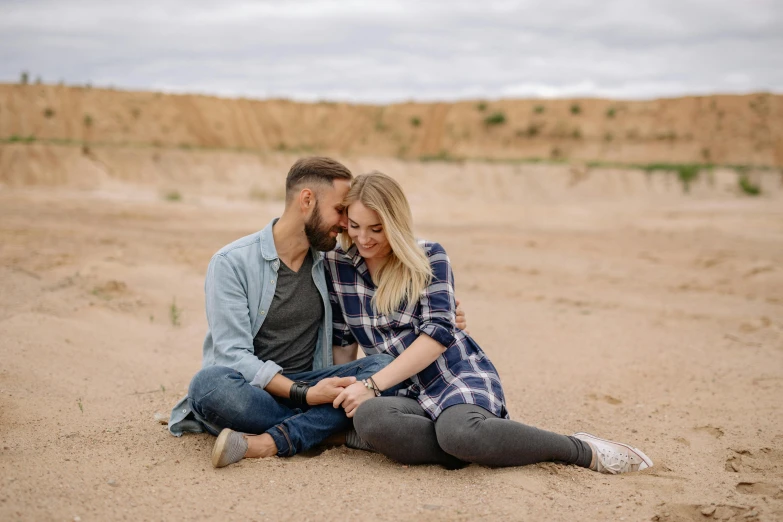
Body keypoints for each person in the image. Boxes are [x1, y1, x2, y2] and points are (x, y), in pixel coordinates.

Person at [325, 171, 653, 474]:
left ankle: (579, 449)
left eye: (376, 229)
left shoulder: (428, 256)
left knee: (459, 432)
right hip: (398, 389)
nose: (364, 239)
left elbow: (438, 335)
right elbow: (344, 344)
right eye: (355, 226)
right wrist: (351, 392)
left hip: (451, 376)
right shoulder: (339, 266)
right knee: (370, 417)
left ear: (395, 223)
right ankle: (484, 445)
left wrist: (370, 386)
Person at [167, 157, 467, 469]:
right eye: (340, 211)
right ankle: (326, 431)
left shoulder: (333, 261)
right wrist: (306, 395)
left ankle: (275, 439)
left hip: (317, 382)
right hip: (254, 391)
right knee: (209, 385)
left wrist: (445, 310)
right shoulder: (232, 262)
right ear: (307, 200)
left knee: (382, 367)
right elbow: (232, 356)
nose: (345, 223)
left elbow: (396, 268)